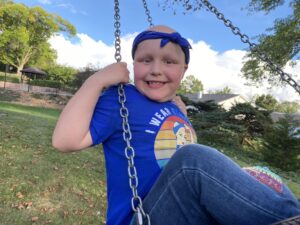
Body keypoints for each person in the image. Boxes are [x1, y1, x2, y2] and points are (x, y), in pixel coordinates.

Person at [52, 25, 300, 225]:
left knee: (266, 176)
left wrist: (184, 117)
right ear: (133, 64)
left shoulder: (175, 106)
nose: (156, 69)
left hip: (187, 211)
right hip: (143, 217)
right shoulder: (122, 98)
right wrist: (95, 82)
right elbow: (65, 140)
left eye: (169, 62)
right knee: (192, 160)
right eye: (145, 60)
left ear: (183, 70)